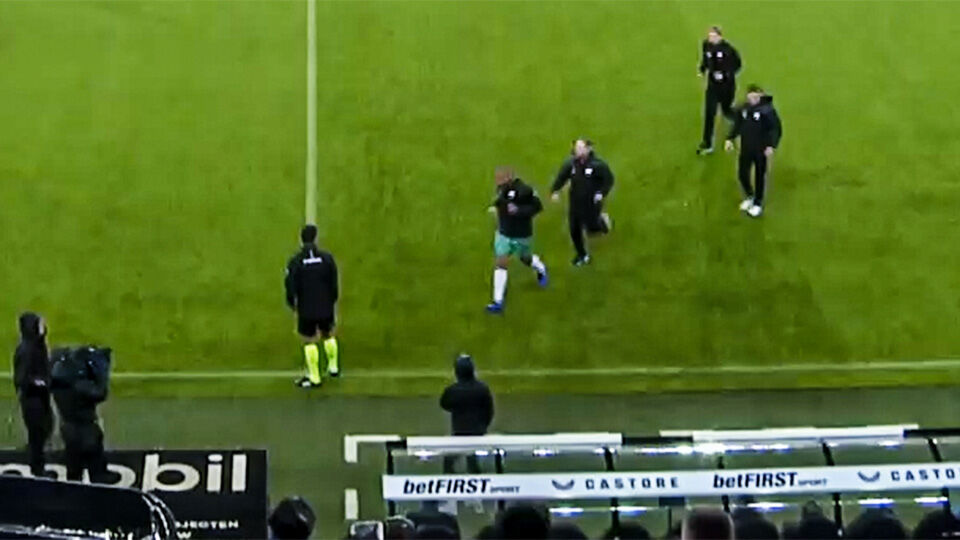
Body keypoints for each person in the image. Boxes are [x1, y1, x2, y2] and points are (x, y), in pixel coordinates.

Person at [486, 166, 548, 314]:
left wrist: (519, 211)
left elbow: (537, 207)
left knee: (525, 258)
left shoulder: (525, 190)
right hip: (504, 233)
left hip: (521, 234)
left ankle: (540, 268)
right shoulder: (501, 190)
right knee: (501, 262)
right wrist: (496, 208)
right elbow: (501, 202)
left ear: (509, 177)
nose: (498, 181)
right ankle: (497, 301)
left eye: (501, 178)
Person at [285, 224, 340, 388]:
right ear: (316, 238)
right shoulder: (327, 259)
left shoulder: (296, 261)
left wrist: (292, 303)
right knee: (328, 334)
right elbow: (334, 282)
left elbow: (290, 285)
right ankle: (333, 367)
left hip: (306, 308)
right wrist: (332, 299)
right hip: (325, 304)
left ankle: (314, 377)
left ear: (301, 240)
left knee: (309, 340)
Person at [50, 346, 112, 482]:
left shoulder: (57, 386)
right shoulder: (80, 386)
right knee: (98, 473)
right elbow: (101, 392)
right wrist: (101, 368)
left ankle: (74, 494)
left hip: (68, 431)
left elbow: (54, 361)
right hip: (86, 431)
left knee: (73, 473)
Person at [551, 138, 615, 266]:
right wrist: (555, 190)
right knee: (574, 229)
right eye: (576, 148)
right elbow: (562, 177)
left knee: (592, 229)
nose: (578, 151)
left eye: (581, 148)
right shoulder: (571, 164)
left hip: (592, 203)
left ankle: (602, 222)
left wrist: (601, 193)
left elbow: (609, 180)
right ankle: (582, 255)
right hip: (575, 203)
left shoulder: (598, 165)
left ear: (588, 149)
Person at [724, 84, 782, 218]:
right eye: (751, 97)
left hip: (761, 150)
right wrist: (730, 138)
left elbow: (776, 129)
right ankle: (750, 195)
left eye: (756, 97)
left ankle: (757, 203)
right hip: (746, 148)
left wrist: (771, 145)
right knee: (742, 174)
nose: (753, 100)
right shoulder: (744, 109)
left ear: (760, 96)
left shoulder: (767, 111)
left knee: (759, 176)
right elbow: (737, 125)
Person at [12, 312, 54, 477]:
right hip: (32, 400)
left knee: (44, 429)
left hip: (39, 398)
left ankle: (38, 465)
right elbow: (21, 379)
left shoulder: (37, 346)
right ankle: (37, 469)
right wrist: (40, 383)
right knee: (37, 434)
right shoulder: (26, 350)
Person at [439, 354, 493, 474]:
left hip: (459, 433)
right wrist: (483, 426)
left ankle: (449, 479)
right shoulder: (482, 388)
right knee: (472, 461)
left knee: (449, 461)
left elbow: (444, 404)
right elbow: (489, 411)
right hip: (479, 432)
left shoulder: (453, 390)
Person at [697, 26, 742, 155]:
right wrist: (702, 69)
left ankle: (741, 121)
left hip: (727, 87)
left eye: (714, 36)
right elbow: (706, 59)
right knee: (709, 113)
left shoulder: (728, 50)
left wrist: (725, 74)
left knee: (726, 110)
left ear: (720, 37)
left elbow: (738, 65)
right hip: (712, 87)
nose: (711, 39)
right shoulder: (706, 45)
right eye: (710, 36)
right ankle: (707, 143)